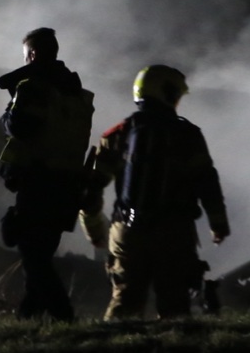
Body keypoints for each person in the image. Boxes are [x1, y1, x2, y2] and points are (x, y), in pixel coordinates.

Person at [82, 64, 230, 320]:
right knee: (175, 307)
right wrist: (218, 224)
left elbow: (91, 191)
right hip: (174, 234)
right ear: (169, 94)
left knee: (124, 302)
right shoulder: (189, 135)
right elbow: (207, 183)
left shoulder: (116, 134)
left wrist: (95, 232)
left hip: (127, 233)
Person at [0, 27, 94, 320]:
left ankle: (64, 316)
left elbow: (20, 127)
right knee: (39, 254)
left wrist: (8, 112)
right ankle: (28, 317)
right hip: (67, 186)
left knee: (33, 257)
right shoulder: (74, 93)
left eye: (26, 56)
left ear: (34, 54)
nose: (25, 62)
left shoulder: (34, 87)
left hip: (38, 182)